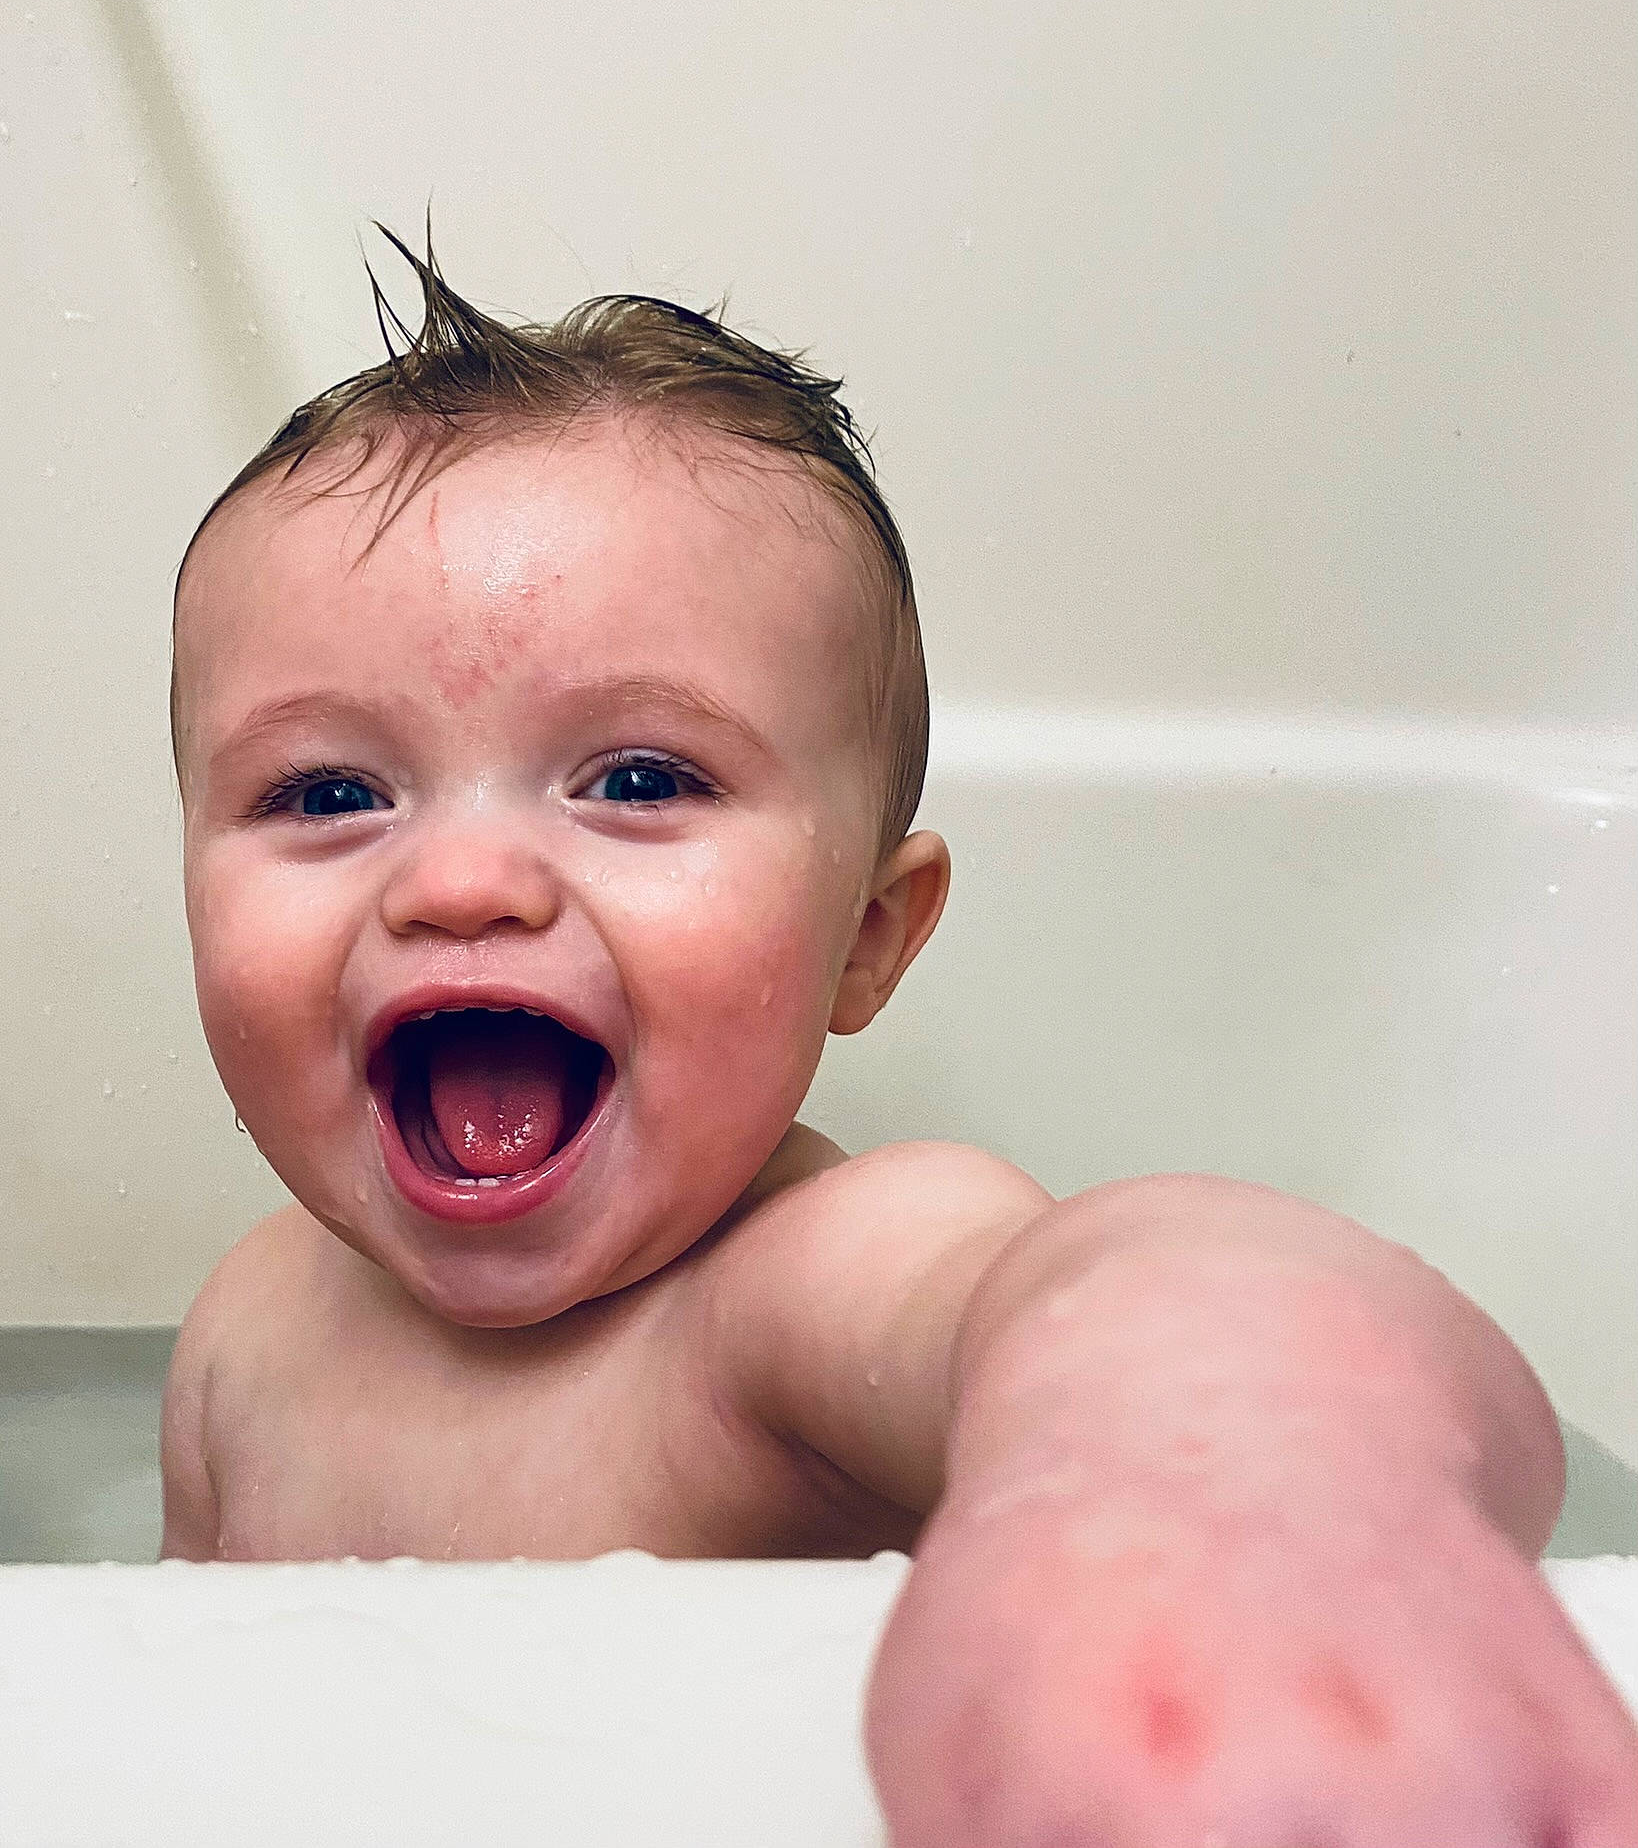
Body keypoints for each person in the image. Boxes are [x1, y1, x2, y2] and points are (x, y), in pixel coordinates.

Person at [160, 229, 1638, 1845]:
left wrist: (1223, 1464)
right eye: (325, 792)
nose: (456, 882)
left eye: (640, 780)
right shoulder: (244, 1331)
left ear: (867, 935)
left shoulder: (789, 1302)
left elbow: (1161, 1288)